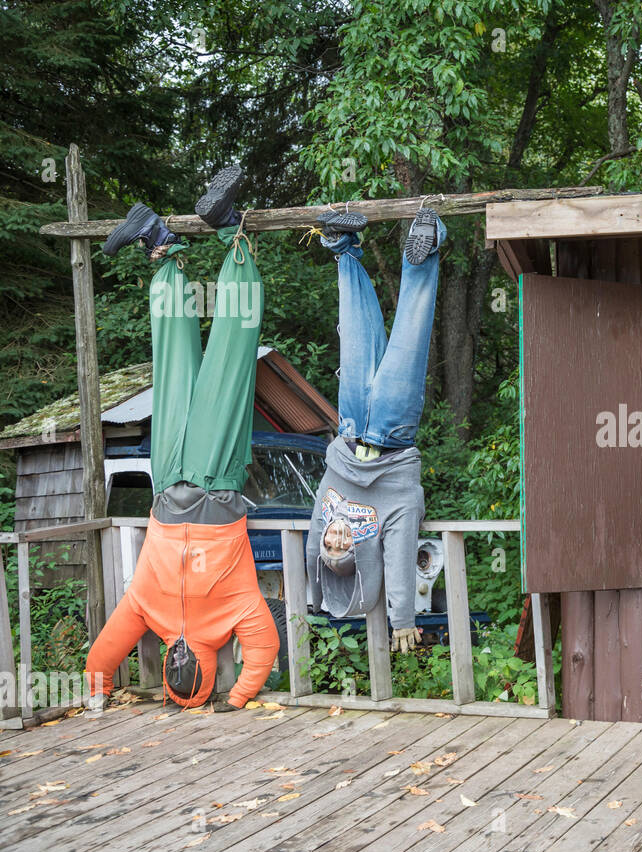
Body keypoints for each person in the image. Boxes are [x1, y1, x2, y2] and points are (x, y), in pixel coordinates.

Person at [84, 165, 280, 714]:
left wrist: (98, 694)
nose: (182, 671)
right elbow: (264, 647)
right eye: (195, 682)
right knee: (230, 357)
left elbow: (101, 658)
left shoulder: (147, 611)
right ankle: (230, 233)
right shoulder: (234, 618)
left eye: (178, 682)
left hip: (169, 477)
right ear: (210, 672)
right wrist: (237, 699)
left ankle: (160, 243)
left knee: (171, 360)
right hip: (216, 477)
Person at [305, 207, 446, 653]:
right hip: (391, 433)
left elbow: (311, 557)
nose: (337, 538)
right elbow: (401, 554)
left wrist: (313, 595)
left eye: (332, 542)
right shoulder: (393, 511)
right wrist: (401, 616)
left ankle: (343, 247)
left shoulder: (328, 506)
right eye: (346, 545)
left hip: (348, 427)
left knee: (356, 333)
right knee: (409, 337)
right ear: (360, 549)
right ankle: (425, 246)